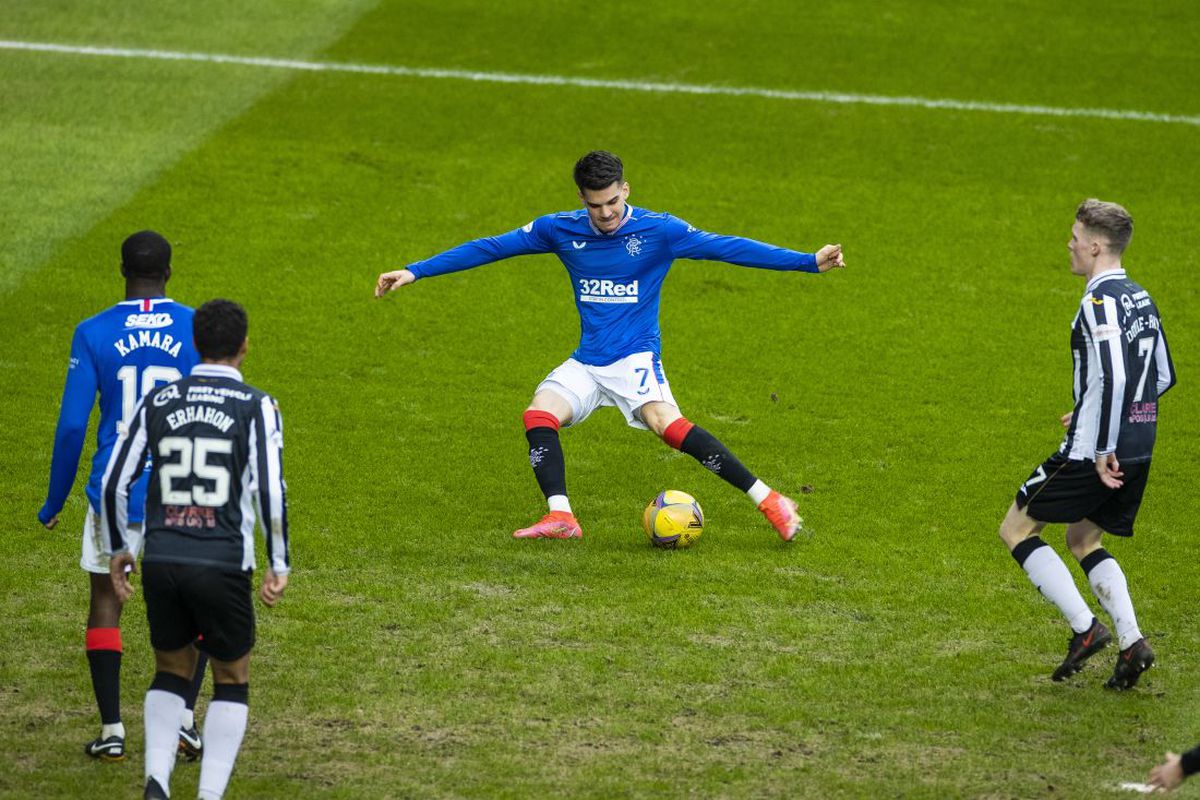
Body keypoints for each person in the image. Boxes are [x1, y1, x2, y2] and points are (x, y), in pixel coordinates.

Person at [375, 150, 845, 541]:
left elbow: (728, 247)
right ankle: (561, 517)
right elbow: (490, 247)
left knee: (667, 424)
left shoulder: (660, 231)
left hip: (635, 355)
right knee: (539, 414)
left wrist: (807, 262)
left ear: (626, 190)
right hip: (588, 360)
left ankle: (771, 502)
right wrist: (415, 270)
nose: (606, 214)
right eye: (596, 205)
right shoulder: (558, 229)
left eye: (613, 202)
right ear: (581, 198)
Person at [101, 298, 291, 800]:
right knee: (232, 676)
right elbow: (270, 490)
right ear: (244, 346)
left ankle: (157, 781)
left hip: (162, 557)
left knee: (171, 670)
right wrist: (279, 561)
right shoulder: (257, 405)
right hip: (223, 560)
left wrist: (120, 548)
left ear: (196, 345)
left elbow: (114, 482)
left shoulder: (158, 402)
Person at [37, 230, 208, 761]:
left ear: (121, 271)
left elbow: (70, 427)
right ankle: (183, 719)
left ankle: (112, 731)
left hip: (115, 488)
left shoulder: (92, 332)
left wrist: (55, 501)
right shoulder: (197, 326)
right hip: (182, 486)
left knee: (106, 601)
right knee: (190, 605)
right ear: (170, 273)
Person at [997, 199, 1174, 688]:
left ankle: (1085, 629)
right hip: (1141, 443)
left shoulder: (1098, 301)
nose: (1070, 245)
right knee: (1083, 538)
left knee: (1016, 529)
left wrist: (1099, 441)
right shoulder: (1141, 296)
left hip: (1096, 451)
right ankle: (1132, 642)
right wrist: (1094, 402)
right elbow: (1160, 375)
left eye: (1075, 237)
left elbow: (1117, 371)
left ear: (1096, 246)